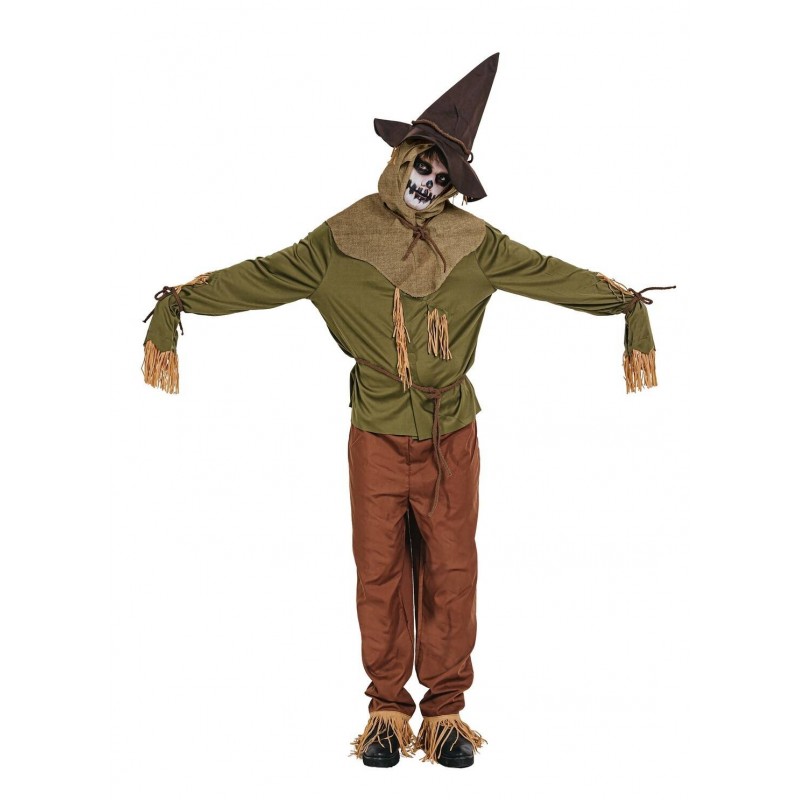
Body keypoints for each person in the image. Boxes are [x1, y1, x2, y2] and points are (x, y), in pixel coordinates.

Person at [141, 53, 672, 769]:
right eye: (424, 165)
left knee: (452, 570)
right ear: (401, 159)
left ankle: (446, 713)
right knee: (380, 570)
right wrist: (183, 301)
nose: (430, 182)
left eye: (444, 176)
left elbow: (548, 273)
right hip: (378, 435)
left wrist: (622, 303)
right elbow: (264, 275)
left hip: (452, 432)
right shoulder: (339, 240)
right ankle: (387, 709)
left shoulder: (477, 244)